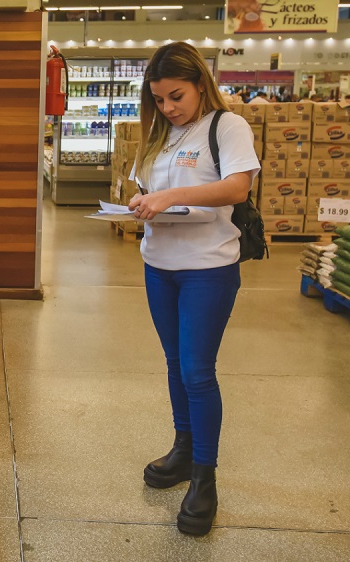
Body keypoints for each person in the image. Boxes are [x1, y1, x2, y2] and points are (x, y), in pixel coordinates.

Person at [128, 41, 260, 537]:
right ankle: (183, 449)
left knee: (198, 371)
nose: (168, 107)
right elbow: (151, 190)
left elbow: (235, 188)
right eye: (159, 99)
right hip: (158, 265)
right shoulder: (161, 133)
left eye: (176, 96)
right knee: (175, 364)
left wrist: (169, 195)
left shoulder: (226, 127)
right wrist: (141, 202)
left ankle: (205, 477)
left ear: (200, 84)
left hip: (207, 268)